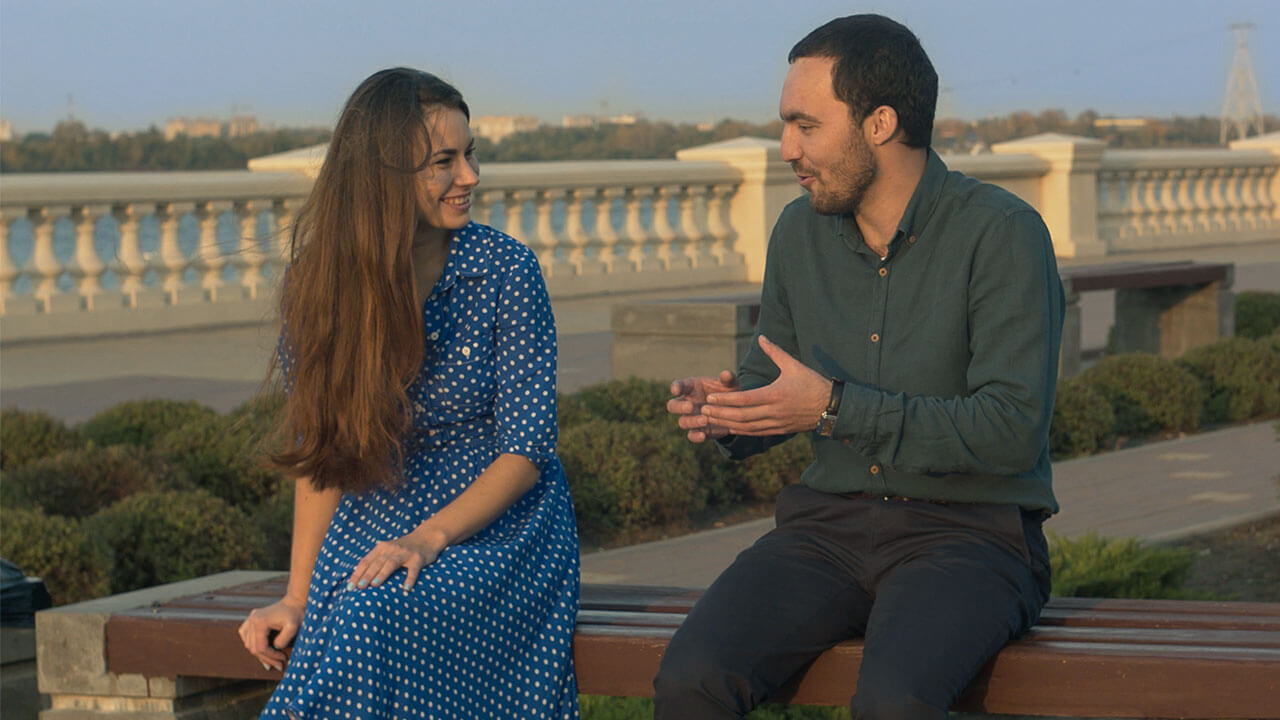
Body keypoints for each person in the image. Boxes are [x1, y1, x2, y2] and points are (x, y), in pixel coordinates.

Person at [656, 14, 1064, 720]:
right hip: (826, 532)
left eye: (805, 125)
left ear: (880, 123)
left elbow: (1011, 430)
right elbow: (775, 379)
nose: (787, 148)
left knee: (892, 703)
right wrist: (731, 412)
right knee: (691, 680)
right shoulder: (798, 231)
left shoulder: (1002, 233)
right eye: (786, 126)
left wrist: (833, 407)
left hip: (971, 538)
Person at [237, 68, 580, 719]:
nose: (470, 176)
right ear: (383, 174)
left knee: (370, 612)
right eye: (444, 162)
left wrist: (428, 540)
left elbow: (528, 450)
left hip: (500, 528)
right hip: (375, 513)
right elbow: (324, 451)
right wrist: (297, 597)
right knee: (349, 614)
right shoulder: (320, 284)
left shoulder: (505, 269)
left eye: (470, 154)